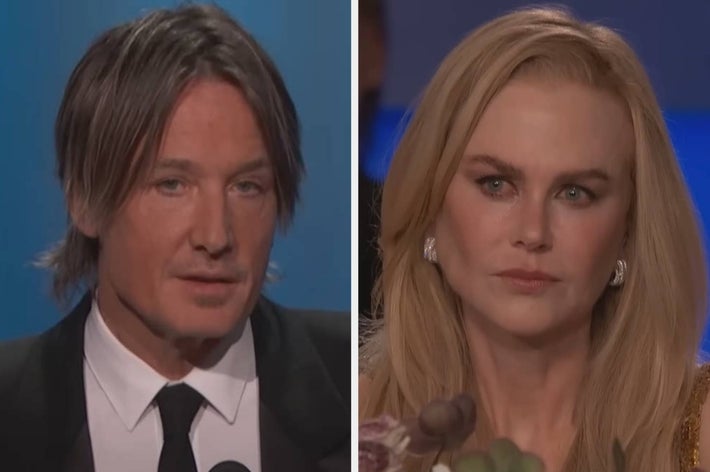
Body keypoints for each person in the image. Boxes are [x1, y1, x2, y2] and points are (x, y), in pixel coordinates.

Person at [359, 6, 710, 472]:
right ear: (429, 210)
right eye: (496, 185)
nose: (532, 233)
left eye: (574, 193)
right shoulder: (356, 428)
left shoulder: (699, 431)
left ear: (628, 232)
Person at [0, 4, 349, 472]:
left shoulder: (360, 383)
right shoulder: (11, 415)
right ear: (84, 199)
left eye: (246, 187)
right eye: (171, 185)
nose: (215, 236)